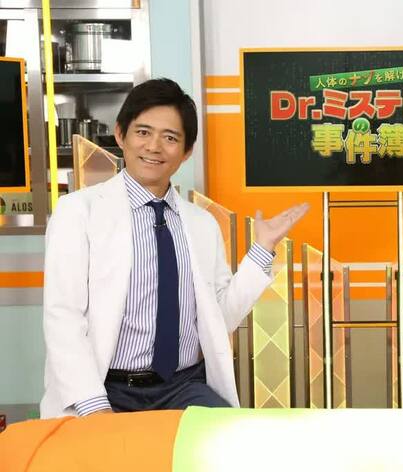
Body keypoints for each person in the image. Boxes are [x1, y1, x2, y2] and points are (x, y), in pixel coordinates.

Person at [40, 78, 308, 418]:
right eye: (143, 132)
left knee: (230, 440)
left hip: (182, 386)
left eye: (170, 138)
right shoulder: (78, 212)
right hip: (104, 387)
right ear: (121, 134)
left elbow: (218, 318)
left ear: (186, 151)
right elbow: (63, 316)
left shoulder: (201, 224)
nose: (154, 147)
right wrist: (94, 406)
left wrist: (262, 249)